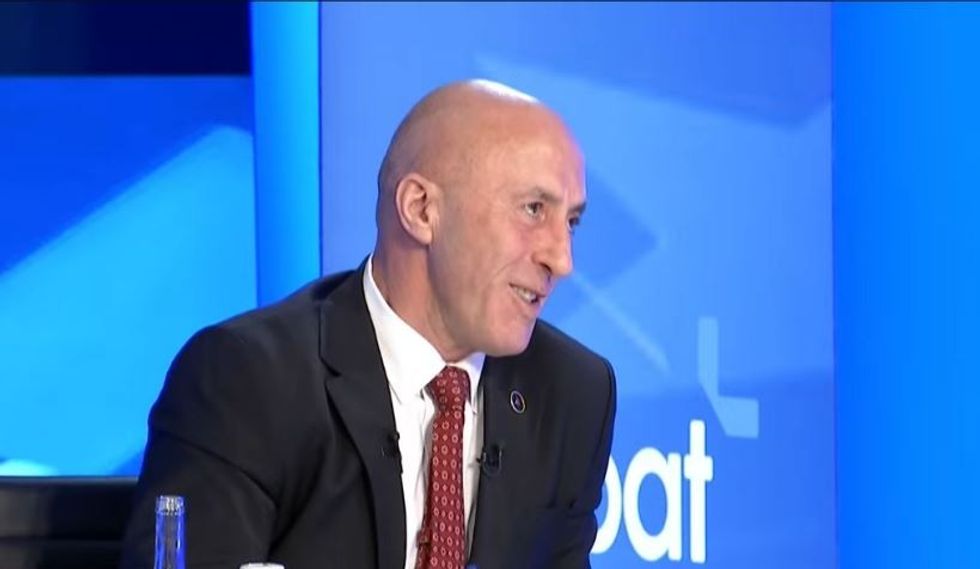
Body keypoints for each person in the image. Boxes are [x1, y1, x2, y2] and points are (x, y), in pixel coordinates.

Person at [121, 80, 616, 569]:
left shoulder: (571, 392)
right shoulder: (247, 380)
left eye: (571, 222)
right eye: (533, 210)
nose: (562, 259)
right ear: (421, 210)